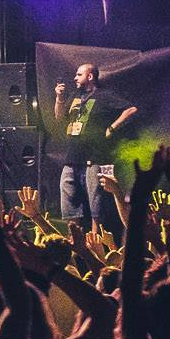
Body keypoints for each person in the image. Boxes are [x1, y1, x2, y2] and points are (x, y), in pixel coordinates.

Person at [52, 62, 135, 234]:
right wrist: (59, 98)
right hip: (71, 158)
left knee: (96, 208)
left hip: (94, 157)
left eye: (79, 75)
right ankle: (75, 243)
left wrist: (112, 128)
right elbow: (59, 117)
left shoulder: (104, 95)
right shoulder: (75, 96)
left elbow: (131, 109)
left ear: (90, 76)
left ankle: (96, 244)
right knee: (69, 207)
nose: (75, 78)